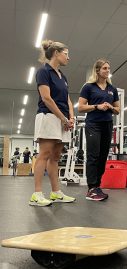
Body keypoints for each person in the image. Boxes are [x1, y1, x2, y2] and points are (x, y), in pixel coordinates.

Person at [29, 39, 76, 207]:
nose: (68, 58)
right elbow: (46, 98)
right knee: (45, 154)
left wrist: (70, 117)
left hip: (62, 119)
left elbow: (68, 99)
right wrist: (62, 118)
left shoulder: (62, 76)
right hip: (48, 116)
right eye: (66, 54)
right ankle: (36, 194)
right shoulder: (44, 71)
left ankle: (56, 192)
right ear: (56, 53)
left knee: (56, 157)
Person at [78, 59, 120, 201]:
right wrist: (97, 106)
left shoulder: (112, 89)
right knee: (93, 155)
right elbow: (81, 107)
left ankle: (97, 186)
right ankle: (91, 188)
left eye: (108, 68)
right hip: (93, 124)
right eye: (104, 68)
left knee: (103, 156)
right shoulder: (88, 87)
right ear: (97, 71)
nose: (107, 71)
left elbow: (118, 110)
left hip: (107, 124)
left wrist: (111, 107)